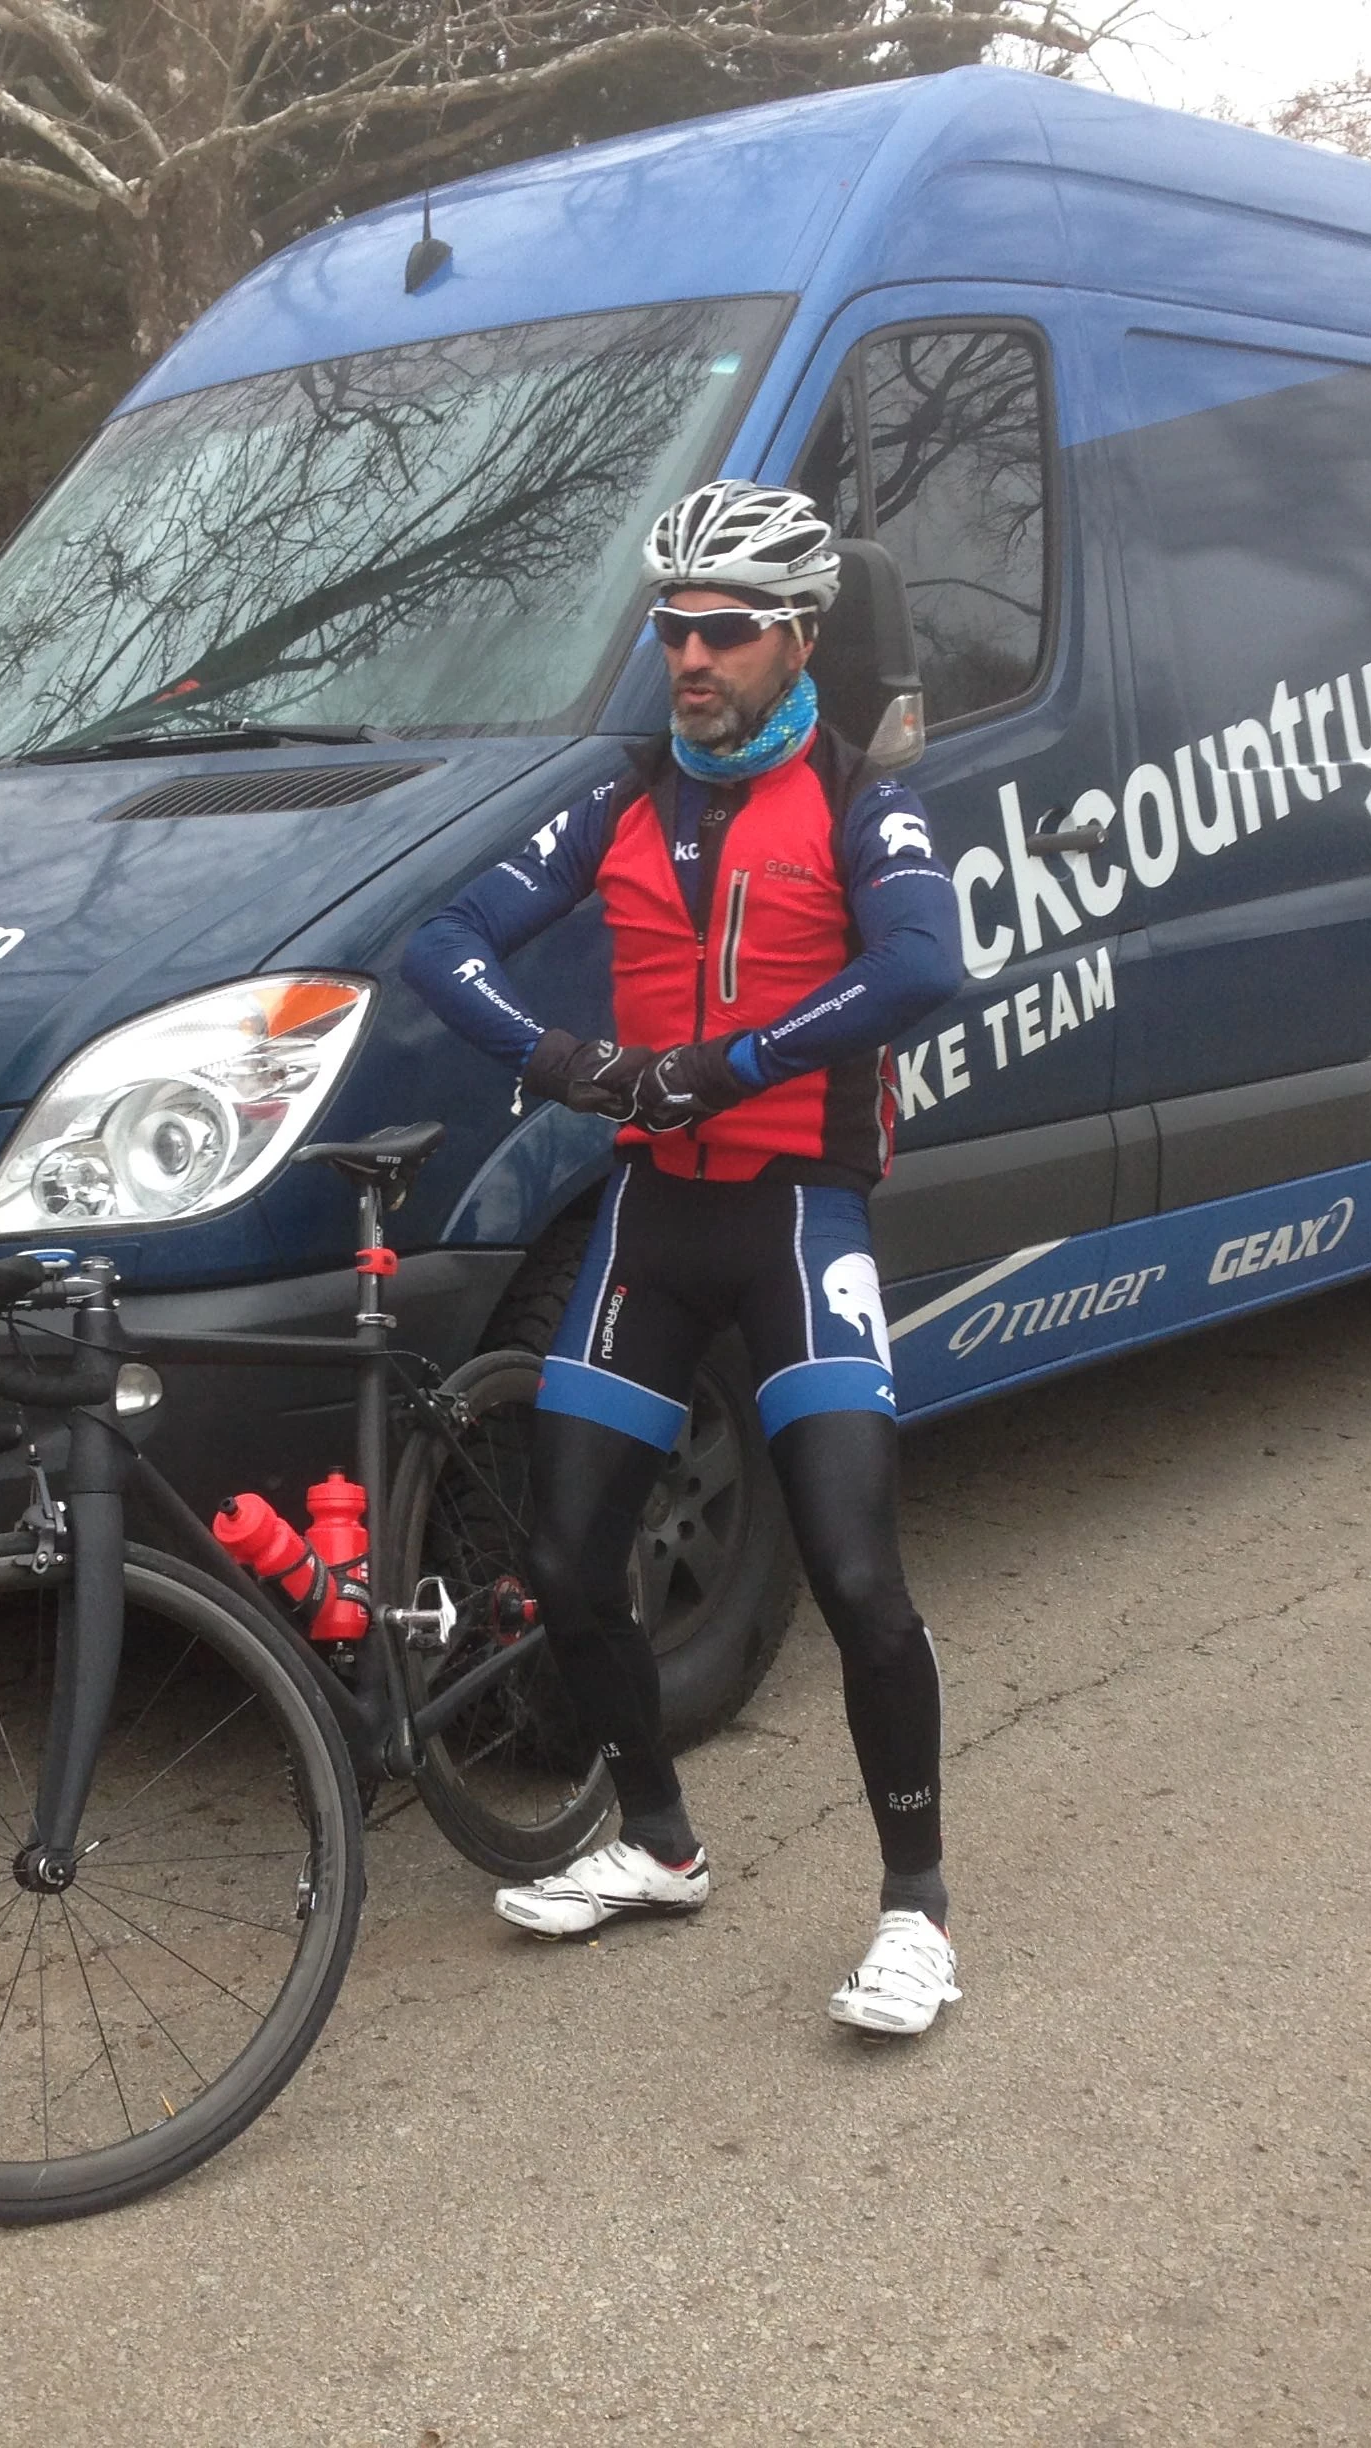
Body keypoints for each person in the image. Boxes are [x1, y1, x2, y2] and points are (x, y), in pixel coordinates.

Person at [404, 480, 968, 2036]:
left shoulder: (865, 798)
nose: (690, 658)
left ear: (796, 641)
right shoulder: (622, 800)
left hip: (799, 1216)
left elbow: (926, 963)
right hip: (652, 1215)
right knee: (570, 1566)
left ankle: (915, 1908)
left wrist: (731, 1062)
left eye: (722, 632)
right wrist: (567, 1060)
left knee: (857, 1574)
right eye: (671, 630)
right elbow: (442, 942)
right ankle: (658, 1839)